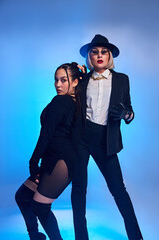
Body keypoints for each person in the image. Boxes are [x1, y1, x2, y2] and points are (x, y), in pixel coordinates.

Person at [71, 34, 143, 240]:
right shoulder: (83, 79)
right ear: (90, 57)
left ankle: (136, 237)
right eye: (95, 52)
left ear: (109, 56)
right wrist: (74, 73)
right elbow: (67, 95)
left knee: (119, 190)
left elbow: (129, 110)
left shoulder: (122, 79)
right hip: (82, 138)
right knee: (79, 190)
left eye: (104, 52)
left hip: (106, 140)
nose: (99, 55)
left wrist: (126, 114)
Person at [15, 62, 84, 240]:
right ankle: (35, 236)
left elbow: (46, 134)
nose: (58, 84)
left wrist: (33, 162)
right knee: (23, 196)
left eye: (63, 80)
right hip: (55, 158)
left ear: (75, 82)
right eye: (56, 80)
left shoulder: (61, 101)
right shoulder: (75, 101)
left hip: (60, 162)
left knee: (41, 207)